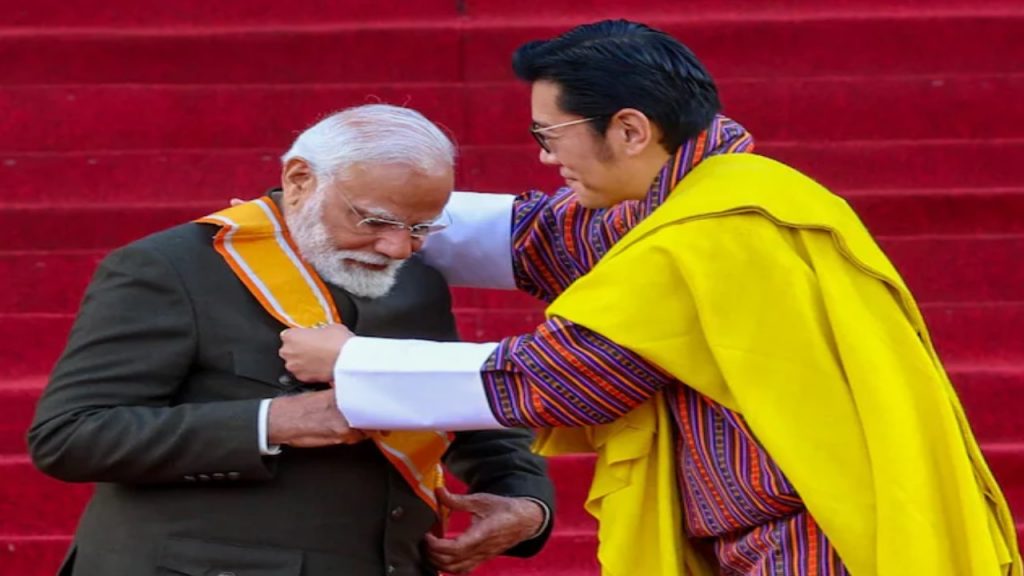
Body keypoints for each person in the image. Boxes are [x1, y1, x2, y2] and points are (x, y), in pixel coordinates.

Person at [277, 20, 1022, 576]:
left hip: (819, 541)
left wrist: (352, 362)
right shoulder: (710, 192)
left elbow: (557, 378)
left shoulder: (713, 232)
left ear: (630, 130)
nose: (543, 157)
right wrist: (344, 211)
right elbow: (542, 238)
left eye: (549, 135)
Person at [27, 104, 555, 576]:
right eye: (375, 220)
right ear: (300, 179)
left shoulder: (415, 278)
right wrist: (274, 421)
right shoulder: (169, 268)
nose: (397, 247)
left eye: (423, 227)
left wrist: (524, 500)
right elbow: (70, 436)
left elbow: (455, 400)